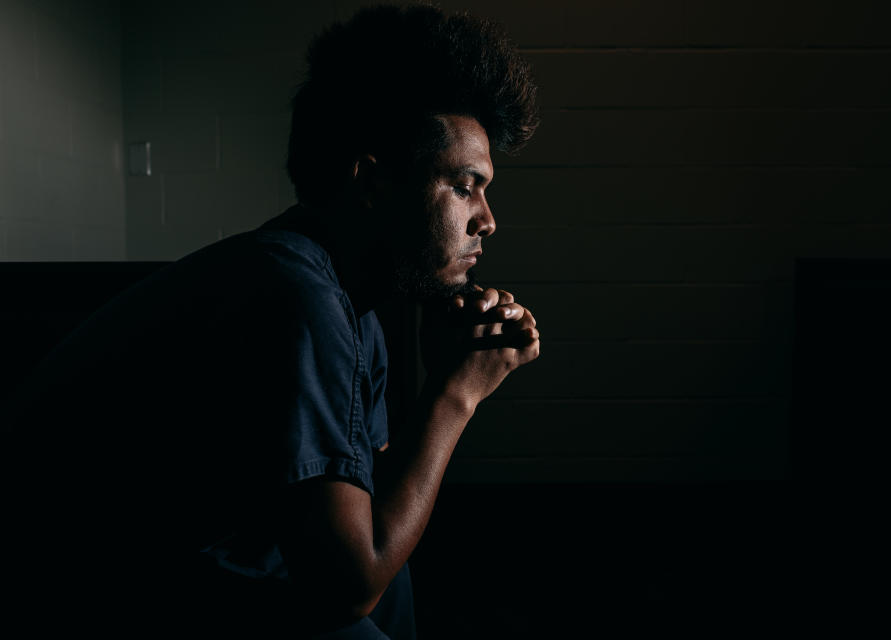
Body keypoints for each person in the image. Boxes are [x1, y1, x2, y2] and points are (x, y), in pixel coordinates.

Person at [2, 4, 539, 638]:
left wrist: (445, 366)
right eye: (464, 185)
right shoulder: (295, 295)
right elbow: (349, 585)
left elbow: (369, 521)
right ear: (372, 182)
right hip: (65, 590)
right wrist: (454, 395)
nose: (486, 219)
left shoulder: (350, 296)